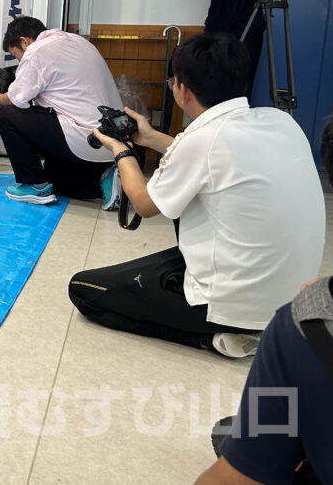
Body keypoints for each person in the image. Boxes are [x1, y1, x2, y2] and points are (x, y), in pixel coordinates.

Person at [70, 34, 326, 357]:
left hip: (230, 304)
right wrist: (149, 137)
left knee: (84, 290)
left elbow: (143, 203)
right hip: (290, 296)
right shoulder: (280, 121)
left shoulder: (203, 141)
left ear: (183, 90)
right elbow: (203, 154)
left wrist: (121, 152)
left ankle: (212, 338)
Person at [196, 116, 333, 485]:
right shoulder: (283, 125)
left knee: (244, 438)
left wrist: (123, 151)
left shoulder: (304, 328)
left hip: (247, 305)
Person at [0, 16, 124, 205]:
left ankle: (35, 186)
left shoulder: (36, 51)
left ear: (24, 41)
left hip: (86, 138)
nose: (20, 61)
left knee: (7, 116)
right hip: (114, 142)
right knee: (56, 182)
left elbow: (16, 98)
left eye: (17, 55)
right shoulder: (78, 41)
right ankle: (105, 176)